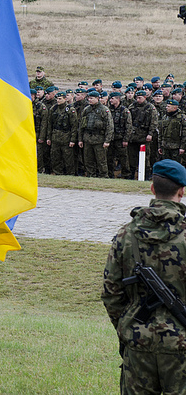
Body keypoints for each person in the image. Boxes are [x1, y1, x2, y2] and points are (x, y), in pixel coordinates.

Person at [102, 159, 186, 394]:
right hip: (182, 346)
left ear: (152, 188)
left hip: (137, 343)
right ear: (182, 191)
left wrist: (128, 326)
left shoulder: (125, 235)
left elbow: (111, 293)